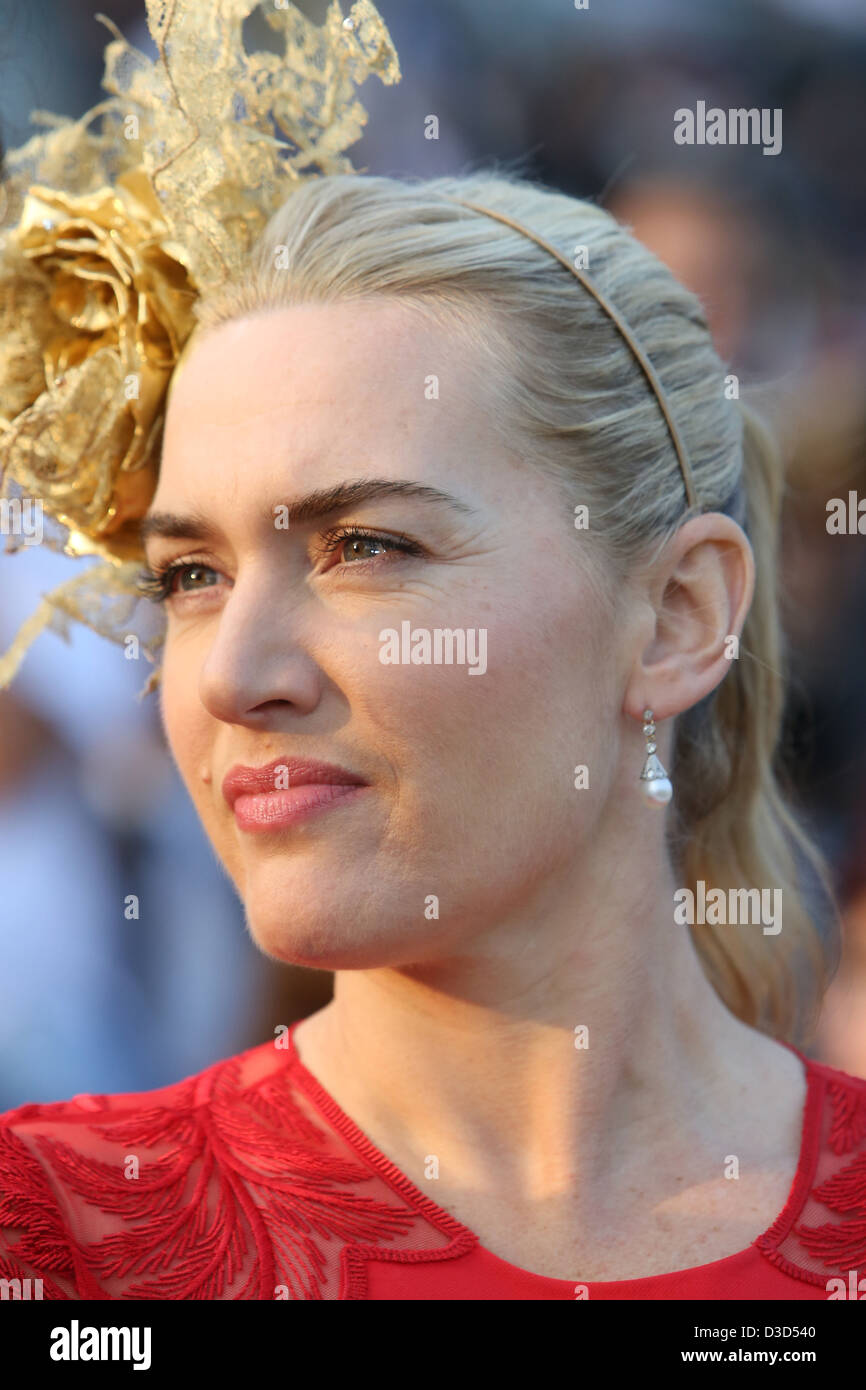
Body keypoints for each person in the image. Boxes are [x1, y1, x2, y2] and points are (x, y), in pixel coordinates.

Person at [1, 3, 863, 1302]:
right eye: (188, 575)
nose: (237, 674)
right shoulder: (56, 1242)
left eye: (367, 547)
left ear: (678, 614)